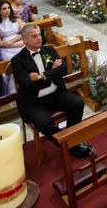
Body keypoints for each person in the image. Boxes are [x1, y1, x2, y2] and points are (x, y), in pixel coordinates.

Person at [11, 25, 94, 158]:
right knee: (44, 123)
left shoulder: (49, 50)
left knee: (77, 103)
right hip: (34, 101)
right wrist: (51, 73)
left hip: (55, 93)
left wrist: (41, 76)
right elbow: (27, 85)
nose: (39, 38)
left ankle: (72, 140)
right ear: (24, 40)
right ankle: (67, 145)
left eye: (39, 34)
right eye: (34, 36)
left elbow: (63, 70)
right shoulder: (17, 60)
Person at [0, 0, 25, 93]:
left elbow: (24, 33)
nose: (7, 10)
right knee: (11, 61)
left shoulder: (17, 19)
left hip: (19, 42)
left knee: (25, 56)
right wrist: (13, 45)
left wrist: (13, 41)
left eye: (8, 8)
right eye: (4, 9)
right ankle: (13, 91)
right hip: (6, 48)